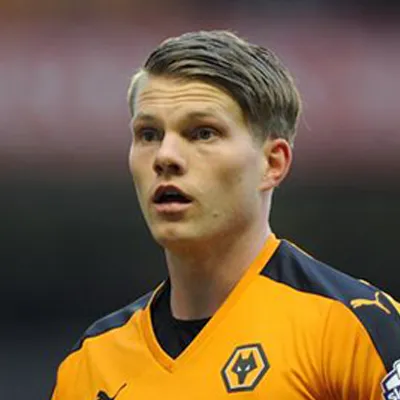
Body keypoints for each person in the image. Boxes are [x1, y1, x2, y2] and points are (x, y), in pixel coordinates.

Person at [50, 30, 400, 400]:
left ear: (272, 163)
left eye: (203, 133)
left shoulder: (352, 328)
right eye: (149, 134)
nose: (165, 156)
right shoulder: (91, 362)